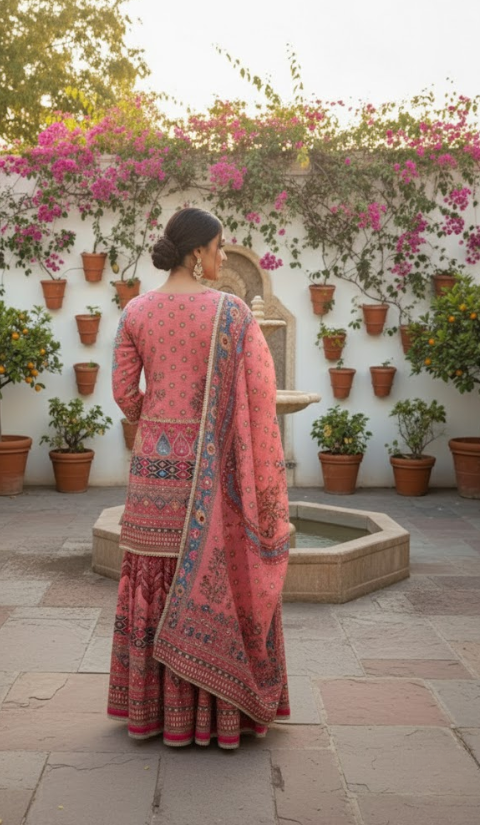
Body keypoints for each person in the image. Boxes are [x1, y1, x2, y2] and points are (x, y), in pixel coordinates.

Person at [108, 207, 290, 749]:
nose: (219, 256)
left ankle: (156, 713)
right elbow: (261, 392)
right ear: (197, 252)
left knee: (153, 576)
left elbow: (123, 395)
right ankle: (219, 717)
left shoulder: (135, 310)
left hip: (154, 475)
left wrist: (158, 420)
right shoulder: (231, 313)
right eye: (216, 248)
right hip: (214, 470)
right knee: (221, 571)